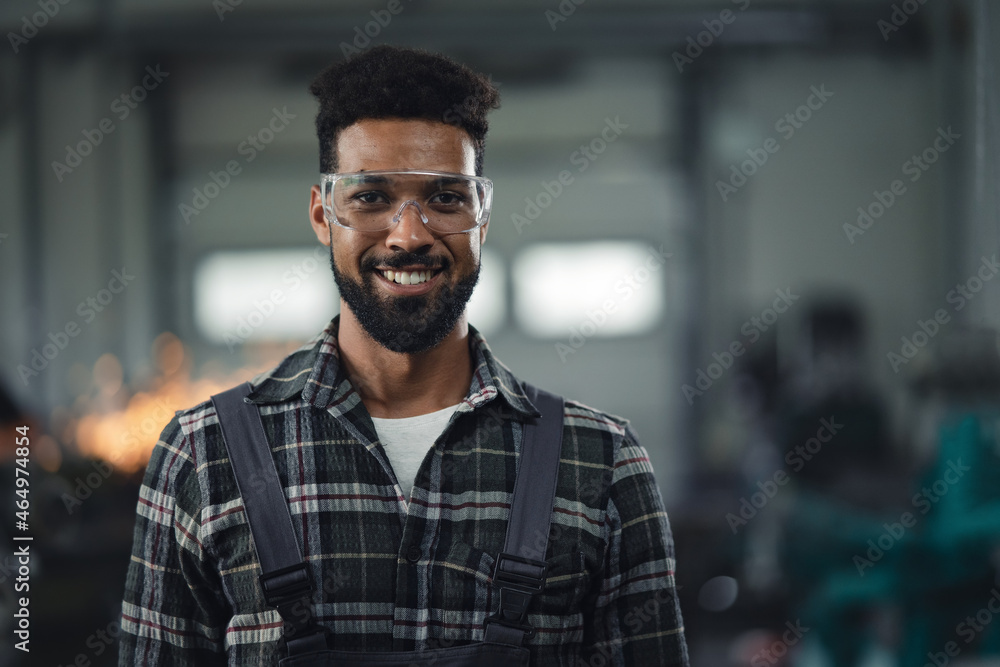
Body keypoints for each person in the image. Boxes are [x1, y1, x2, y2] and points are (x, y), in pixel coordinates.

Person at [118, 45, 689, 666]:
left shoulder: (601, 463)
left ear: (482, 217)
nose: (409, 234)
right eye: (370, 198)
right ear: (322, 215)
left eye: (445, 198)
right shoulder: (203, 454)